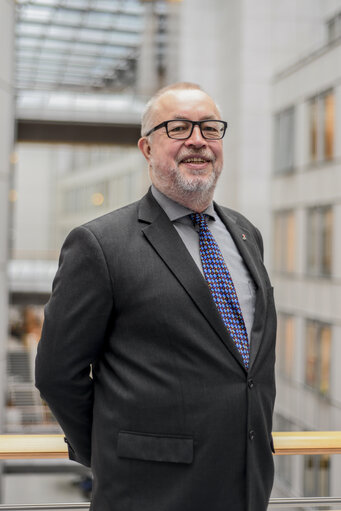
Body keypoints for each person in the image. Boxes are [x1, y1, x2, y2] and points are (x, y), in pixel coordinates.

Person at [35, 82, 277, 511]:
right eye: (179, 128)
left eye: (210, 128)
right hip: (147, 492)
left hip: (247, 485)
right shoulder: (99, 244)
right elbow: (57, 373)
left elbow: (250, 366)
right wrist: (115, 452)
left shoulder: (246, 234)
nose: (198, 140)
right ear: (147, 149)